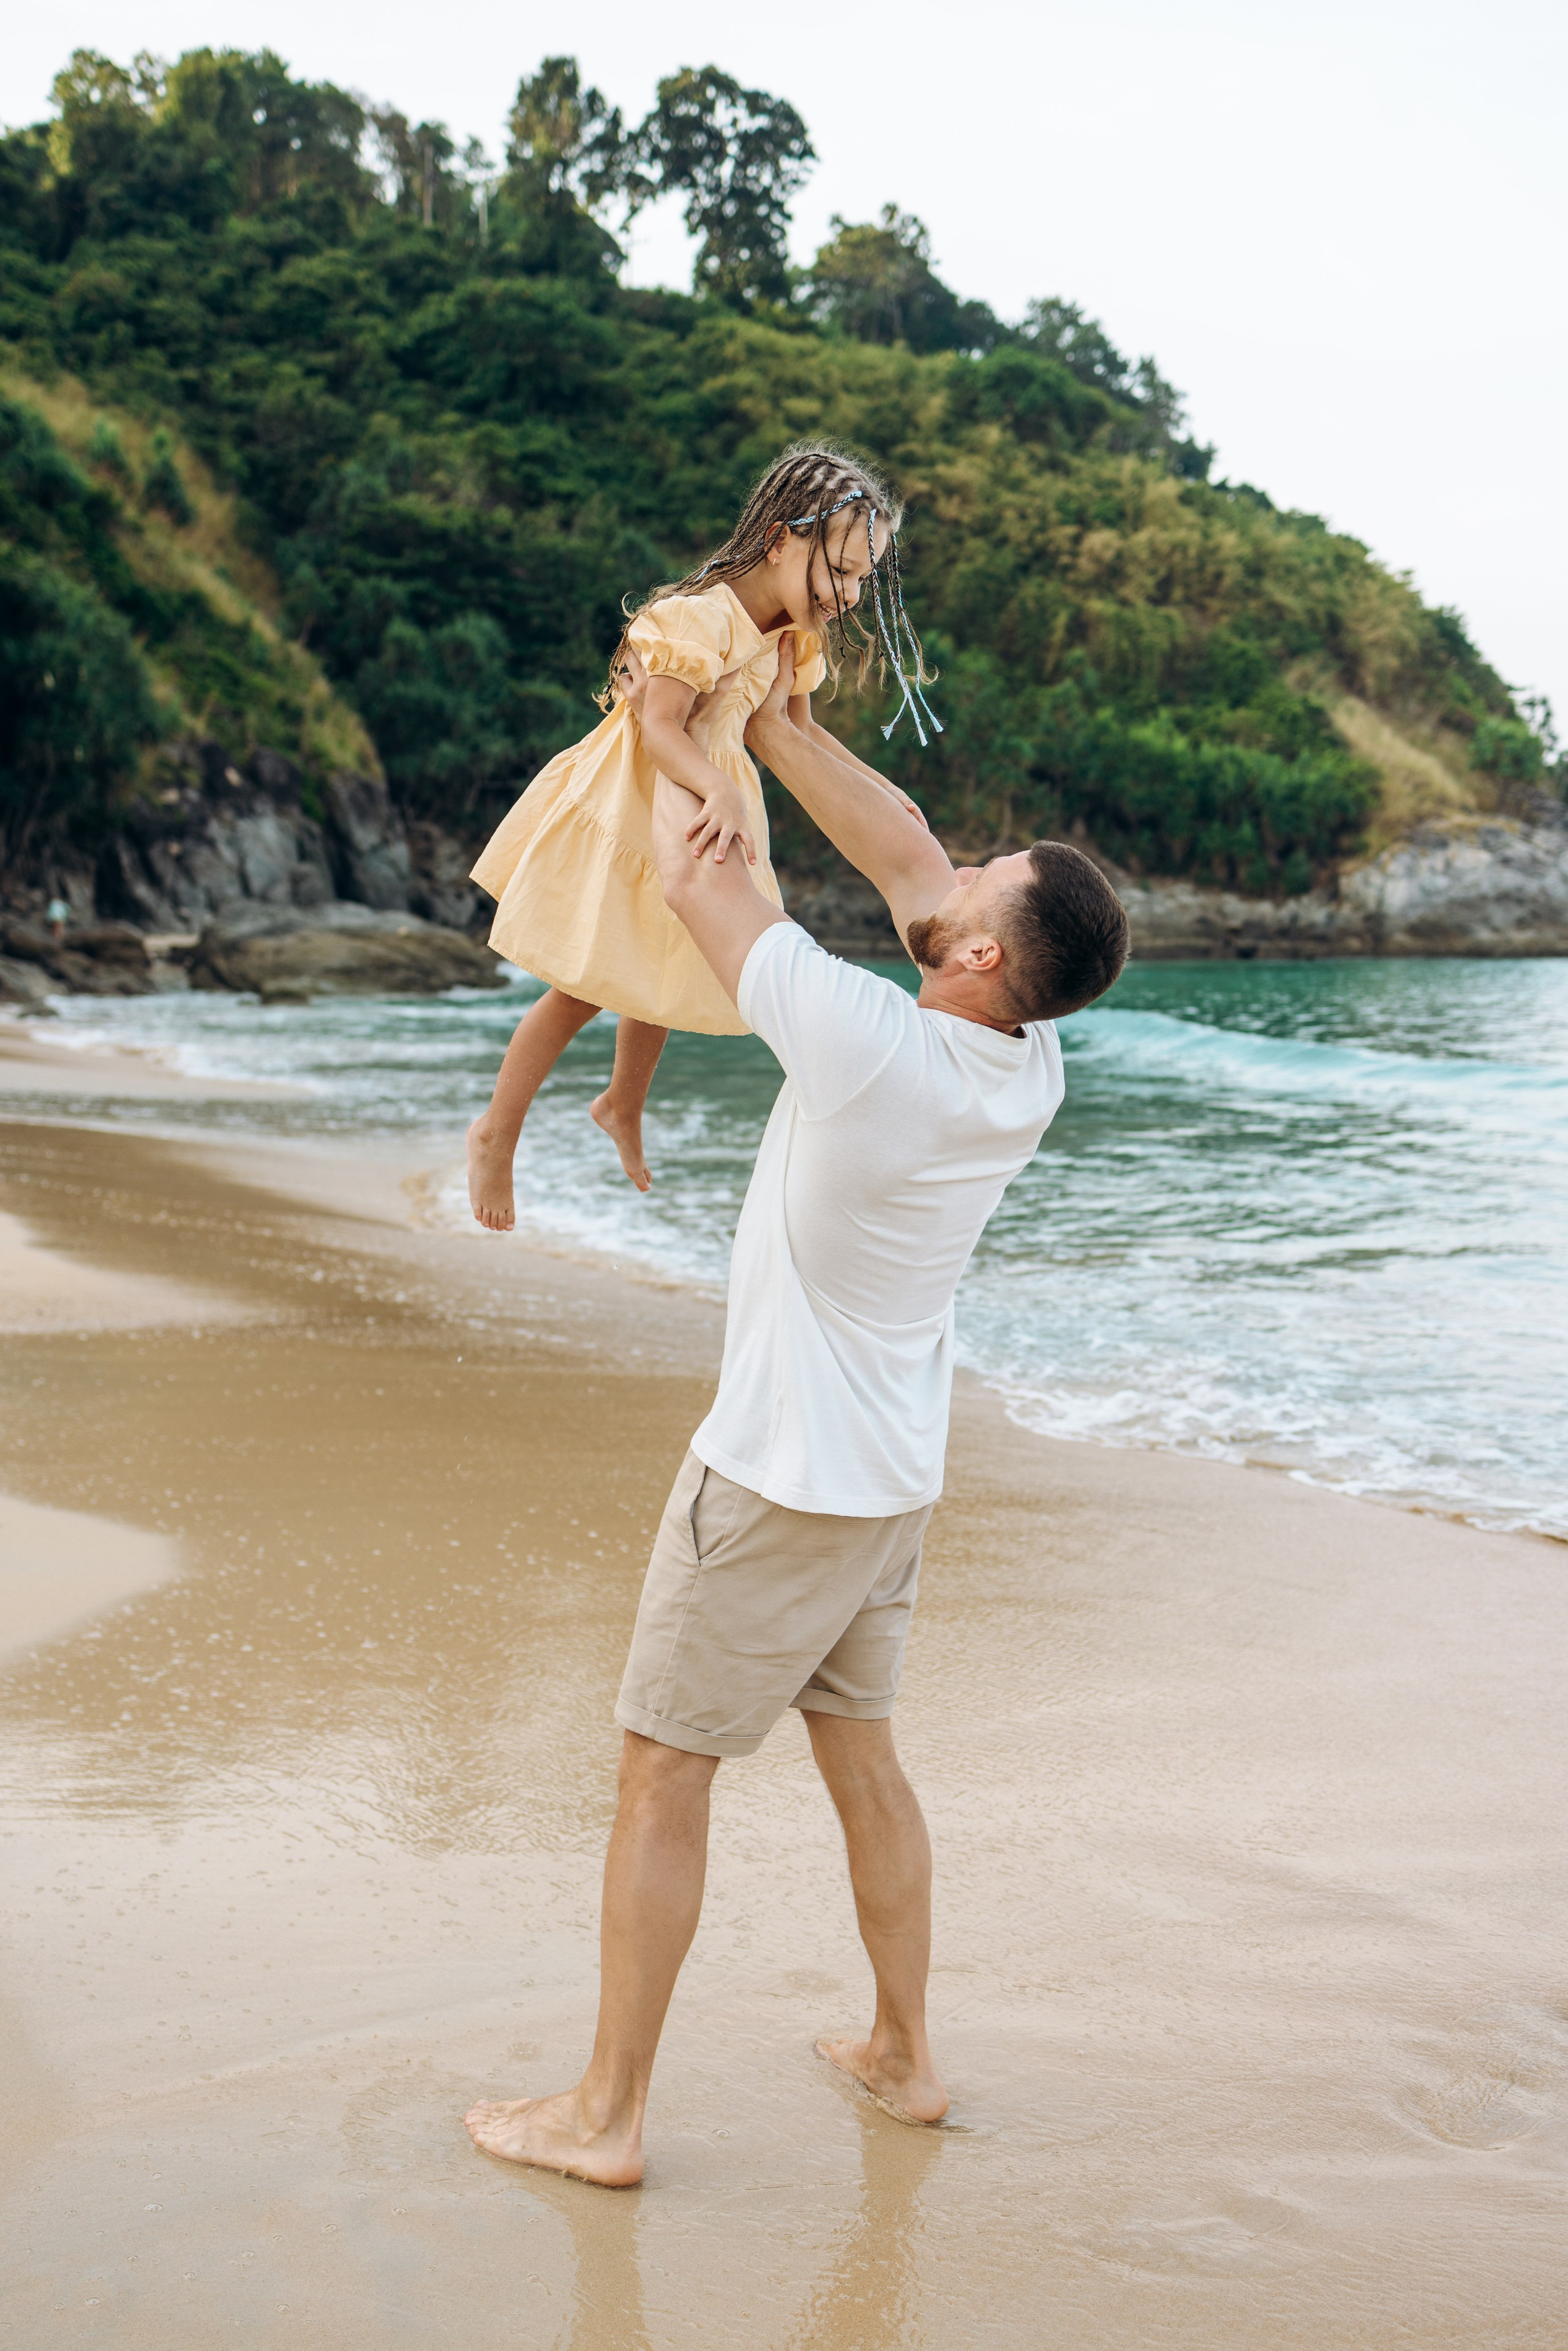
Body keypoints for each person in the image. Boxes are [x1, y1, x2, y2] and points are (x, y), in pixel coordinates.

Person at [464, 633, 1131, 2187]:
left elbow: (694, 875)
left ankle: (605, 2114)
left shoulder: (863, 1045)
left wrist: (675, 706)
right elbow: (902, 848)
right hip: (888, 1480)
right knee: (862, 1759)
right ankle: (903, 2054)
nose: (951, 866)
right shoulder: (1022, 1062)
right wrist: (782, 721)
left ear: (978, 955)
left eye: (980, 878)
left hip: (774, 1479)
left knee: (660, 1770)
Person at [465, 442, 932, 1228]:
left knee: (672, 962)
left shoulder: (792, 634)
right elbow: (659, 728)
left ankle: (622, 1102)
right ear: (780, 540)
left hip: (710, 809)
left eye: (863, 578)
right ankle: (496, 1131)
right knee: (584, 986)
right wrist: (717, 785)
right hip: (641, 804)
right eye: (842, 571)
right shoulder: (698, 618)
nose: (851, 595)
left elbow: (799, 732)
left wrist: (880, 790)